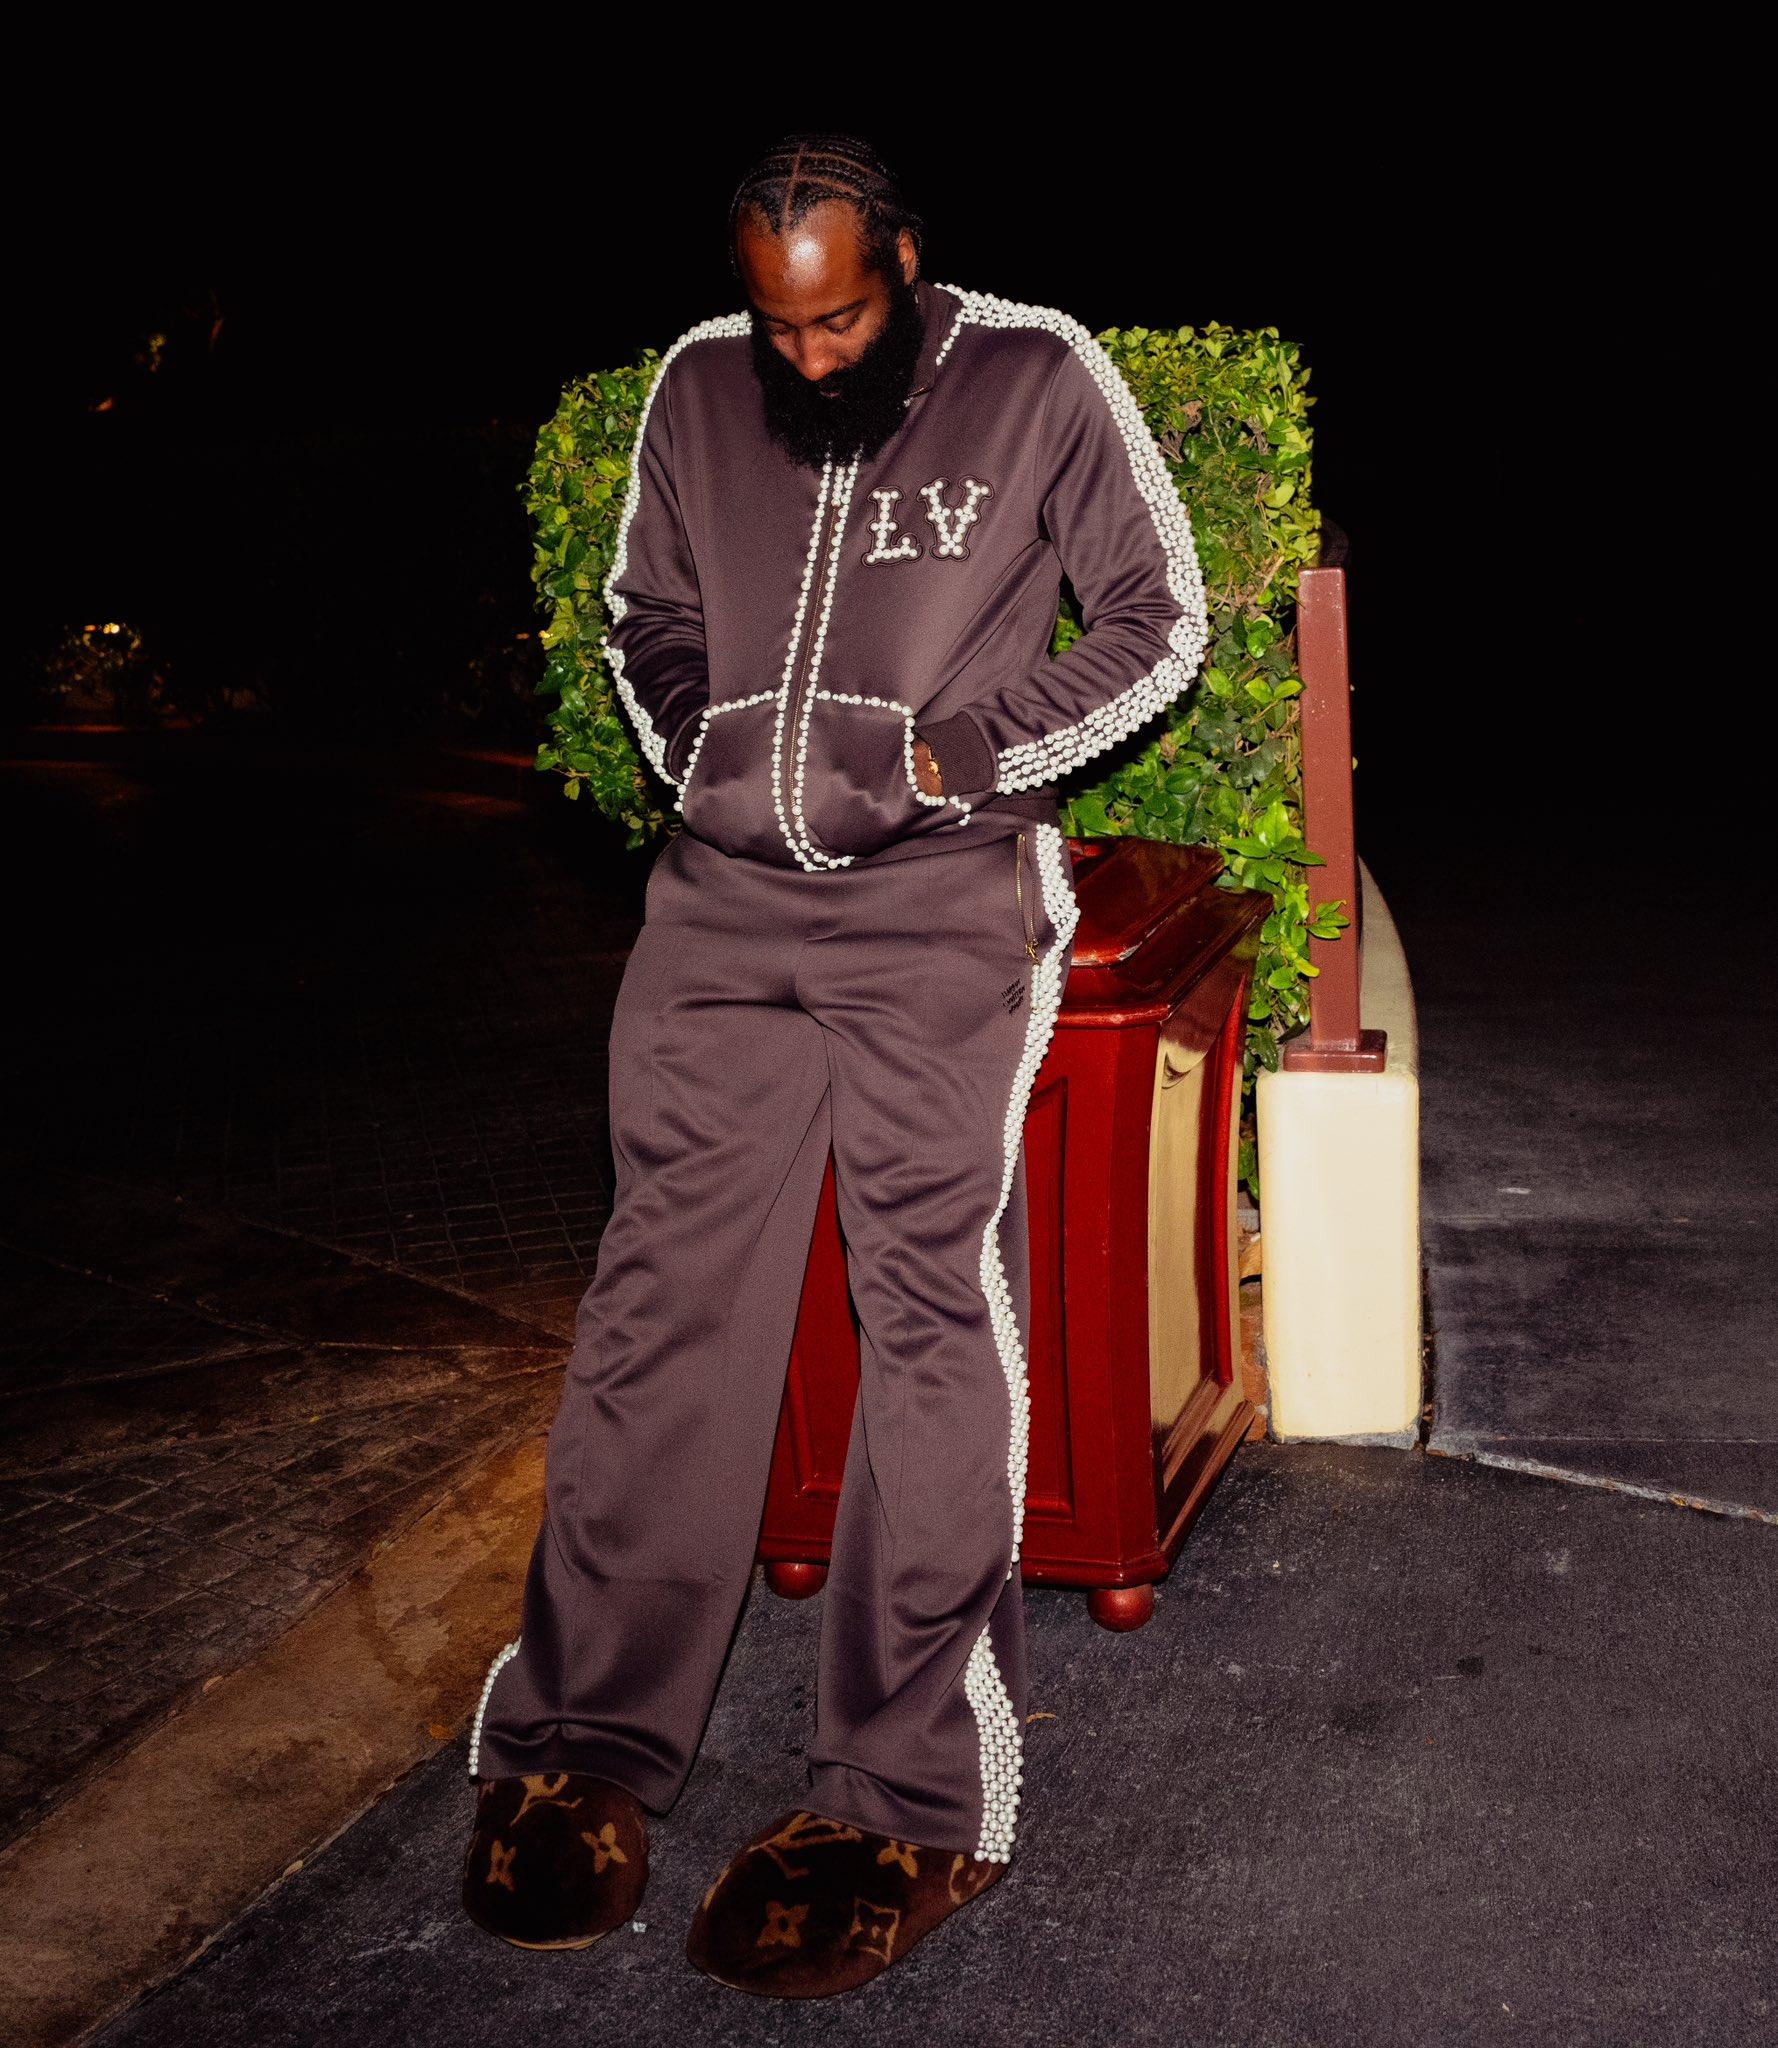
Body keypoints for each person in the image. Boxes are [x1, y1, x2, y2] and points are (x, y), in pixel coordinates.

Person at [460, 129, 1209, 1998]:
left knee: (926, 1308)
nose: (804, 356)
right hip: (716, 913)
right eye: (776, 324)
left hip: (938, 907)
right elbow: (645, 614)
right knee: (659, 1297)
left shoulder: (1032, 374)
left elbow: (1158, 624)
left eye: (840, 320)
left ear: (903, 266)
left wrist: (948, 763)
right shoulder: (693, 390)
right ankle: (584, 1740)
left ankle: (904, 1793)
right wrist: (707, 754)